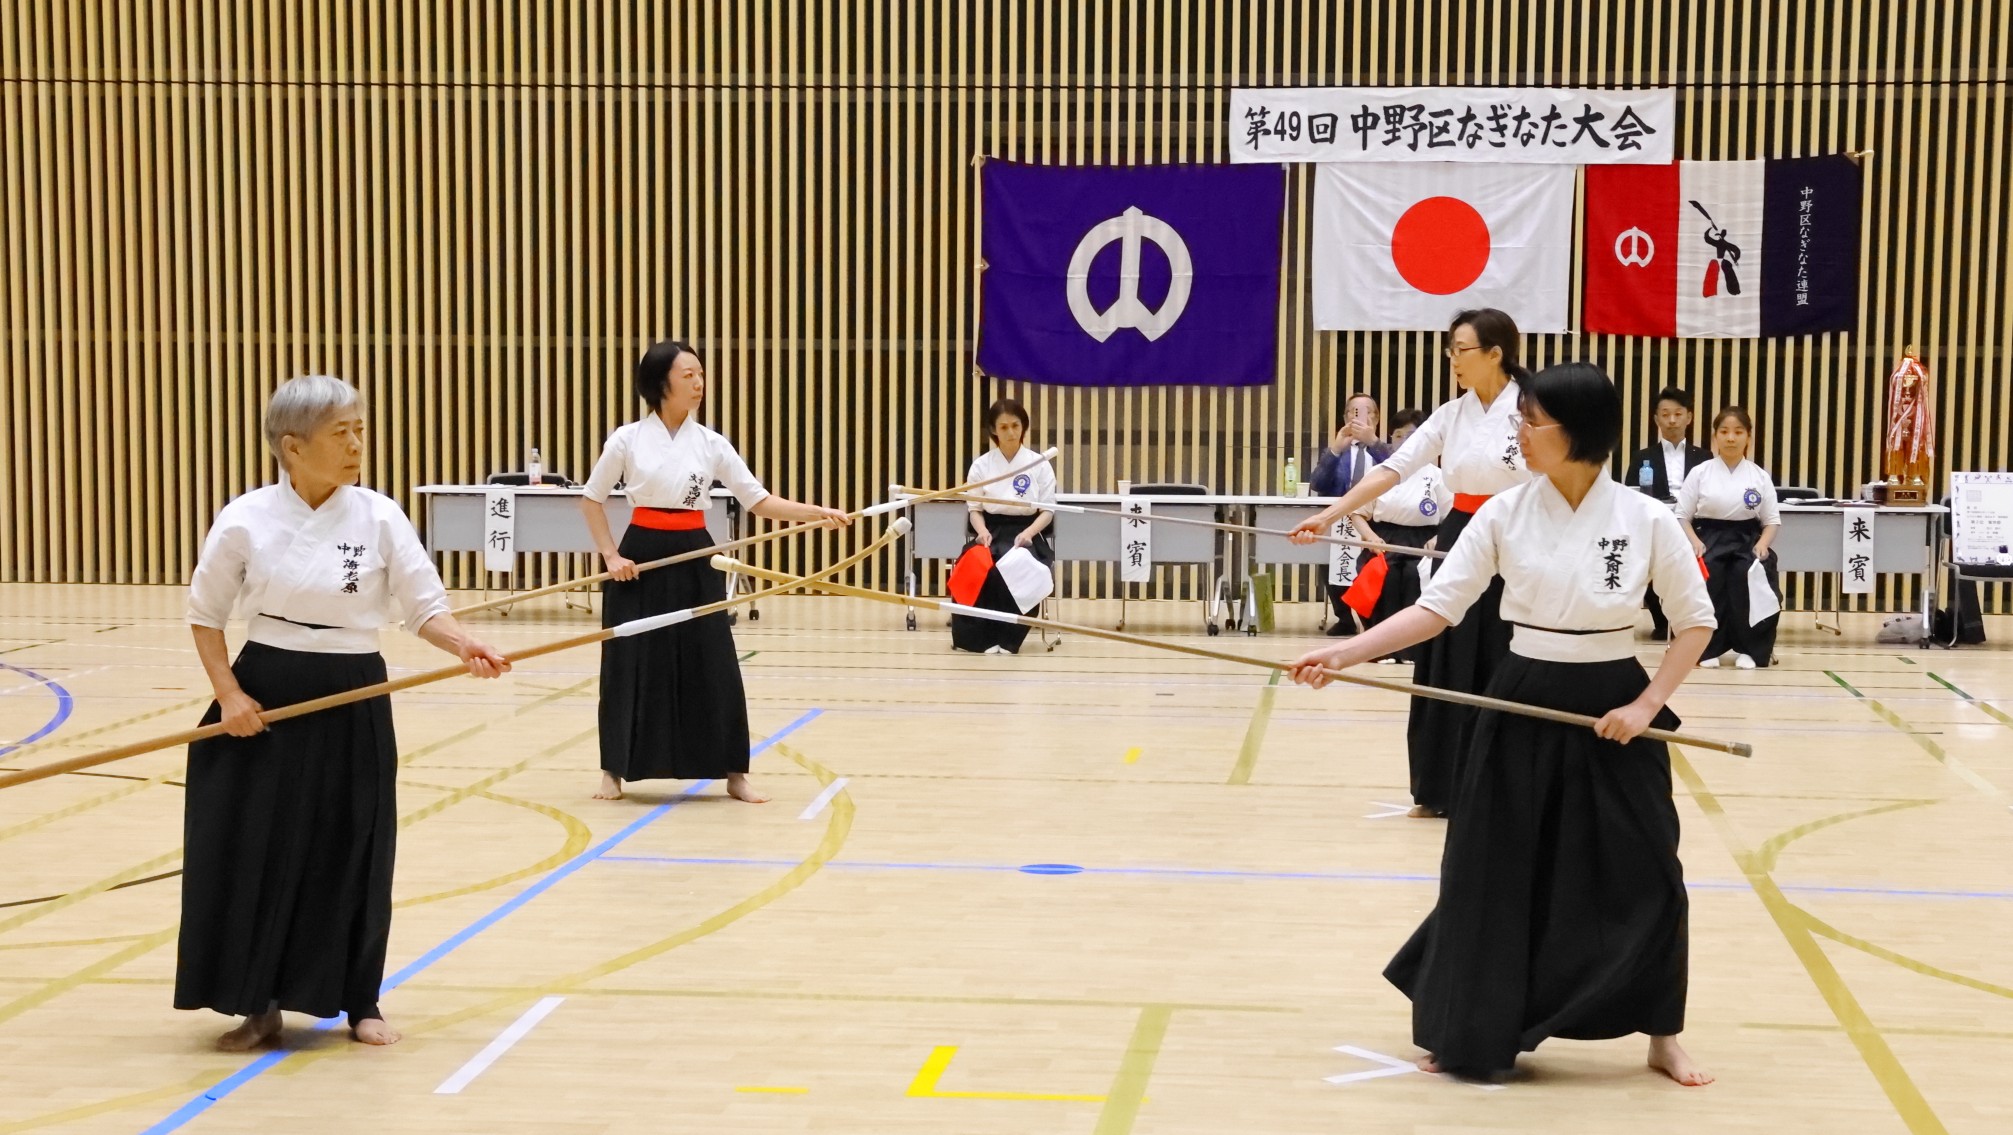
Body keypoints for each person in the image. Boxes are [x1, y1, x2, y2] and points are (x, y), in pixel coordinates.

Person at [1290, 362, 1716, 1088]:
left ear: (1576, 431)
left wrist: (1646, 705)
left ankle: (1662, 1033)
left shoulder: (1646, 519)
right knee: (1492, 867)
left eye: (1531, 421)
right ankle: (1473, 1023)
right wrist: (1346, 649)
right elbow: (1438, 608)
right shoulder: (1502, 512)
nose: (1517, 434)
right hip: (1521, 692)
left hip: (1613, 698)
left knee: (1650, 870)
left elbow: (1694, 622)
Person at [179, 375, 512, 1051]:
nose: (357, 443)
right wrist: (231, 695)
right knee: (260, 847)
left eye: (359, 427)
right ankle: (259, 1000)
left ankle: (360, 999)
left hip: (354, 687)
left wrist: (462, 642)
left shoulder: (380, 516)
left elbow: (422, 606)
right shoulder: (246, 517)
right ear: (292, 447)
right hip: (268, 686)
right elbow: (205, 615)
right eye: (341, 432)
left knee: (354, 841)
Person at [581, 341, 850, 803]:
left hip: (695, 553)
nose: (699, 383)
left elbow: (759, 501)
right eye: (688, 375)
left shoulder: (710, 443)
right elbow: (591, 499)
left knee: (713, 659)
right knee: (629, 661)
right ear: (661, 383)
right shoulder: (626, 439)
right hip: (640, 558)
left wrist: (815, 512)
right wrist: (610, 556)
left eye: (700, 374)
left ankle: (734, 772)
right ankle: (614, 769)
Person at [1290, 309, 1532, 818]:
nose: (1453, 361)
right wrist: (1330, 512)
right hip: (1462, 537)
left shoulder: (1533, 409)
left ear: (1496, 354)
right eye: (1450, 351)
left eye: (1461, 350)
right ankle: (1443, 785)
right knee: (1448, 655)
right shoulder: (1452, 414)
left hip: (1522, 538)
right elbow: (1394, 469)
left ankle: (1510, 786)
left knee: (1507, 654)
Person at [1677, 406, 1781, 670]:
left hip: (1747, 539)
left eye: (1738, 432)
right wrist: (1695, 543)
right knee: (1709, 573)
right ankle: (1705, 647)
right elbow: (1681, 517)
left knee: (1748, 574)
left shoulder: (1758, 476)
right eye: (1724, 432)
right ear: (1715, 437)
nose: (1731, 438)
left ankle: (1752, 649)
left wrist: (1762, 545)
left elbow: (1771, 521)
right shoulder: (1700, 473)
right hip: (1707, 538)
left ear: (1749, 437)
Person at [952, 398, 1057, 654]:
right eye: (1004, 427)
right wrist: (982, 532)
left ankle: (1009, 639)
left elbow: (1047, 511)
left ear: (1024, 427)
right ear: (993, 431)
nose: (1011, 433)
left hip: (1027, 533)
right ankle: (978, 640)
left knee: (1016, 568)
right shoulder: (981, 466)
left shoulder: (1039, 464)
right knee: (978, 566)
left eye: (1015, 426)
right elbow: (975, 509)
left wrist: (1029, 533)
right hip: (990, 531)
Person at [1339, 409, 1447, 657]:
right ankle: (1381, 651)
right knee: (1385, 580)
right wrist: (1370, 537)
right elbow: (1357, 512)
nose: (1404, 442)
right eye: (1398, 435)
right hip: (1383, 541)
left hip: (1422, 543)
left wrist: (1437, 538)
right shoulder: (1379, 474)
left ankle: (1413, 651)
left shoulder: (1438, 476)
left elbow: (1453, 514)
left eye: (1410, 435)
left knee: (1413, 576)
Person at [1625, 388, 1710, 641]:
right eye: (1665, 414)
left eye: (1678, 414)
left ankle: (1692, 620)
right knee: (1649, 561)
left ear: (1689, 417)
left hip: (1696, 527)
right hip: (1656, 525)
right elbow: (1631, 495)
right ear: (1656, 419)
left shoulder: (1704, 457)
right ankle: (1662, 622)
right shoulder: (1642, 457)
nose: (1672, 420)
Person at [1310, 392, 1392, 631]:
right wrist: (1335, 450)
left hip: (1374, 520)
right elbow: (1317, 483)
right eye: (1353, 412)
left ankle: (1373, 617)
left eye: (1366, 412)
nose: (1359, 417)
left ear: (1375, 418)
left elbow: (1401, 474)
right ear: (1345, 417)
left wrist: (1374, 442)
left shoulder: (1385, 449)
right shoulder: (1339, 449)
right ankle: (1344, 617)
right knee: (1330, 562)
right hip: (1340, 519)